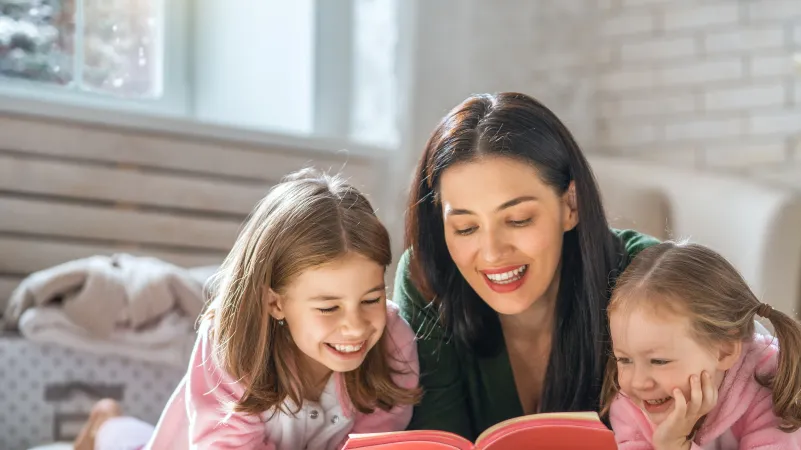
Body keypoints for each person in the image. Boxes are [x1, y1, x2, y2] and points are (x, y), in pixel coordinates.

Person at [73, 168, 422, 450]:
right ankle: (106, 425)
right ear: (275, 302)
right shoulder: (233, 341)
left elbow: (378, 443)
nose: (356, 326)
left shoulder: (393, 341)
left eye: (371, 300)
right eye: (329, 307)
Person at [393, 91, 660, 440]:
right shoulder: (428, 276)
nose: (491, 253)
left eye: (518, 219)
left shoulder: (647, 274)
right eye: (466, 228)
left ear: (571, 205)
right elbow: (438, 438)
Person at [602, 241, 801, 450]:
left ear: (724, 349)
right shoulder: (631, 405)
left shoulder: (773, 394)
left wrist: (676, 446)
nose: (637, 382)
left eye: (659, 361)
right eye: (624, 360)